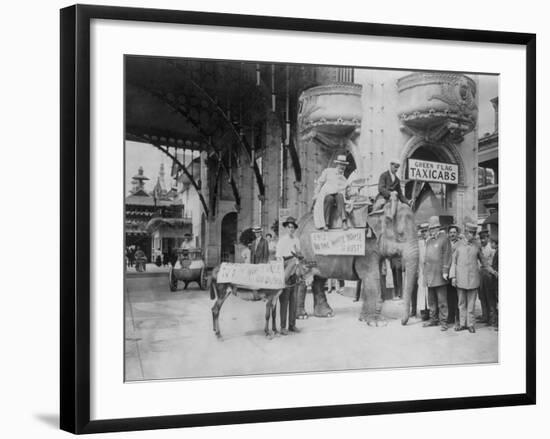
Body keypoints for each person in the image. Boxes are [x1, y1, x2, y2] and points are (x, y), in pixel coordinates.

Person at [450, 222, 487, 333]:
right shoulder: (458, 245)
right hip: (460, 279)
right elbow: (453, 262)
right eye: (470, 232)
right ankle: (462, 324)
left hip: (473, 279)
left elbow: (483, 261)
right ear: (466, 232)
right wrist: (453, 277)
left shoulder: (477, 245)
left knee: (471, 304)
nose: (472, 235)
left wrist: (493, 271)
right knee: (461, 303)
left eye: (474, 233)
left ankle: (470, 324)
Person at [422, 216, 452, 331]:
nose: (432, 230)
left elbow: (447, 255)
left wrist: (445, 271)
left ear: (438, 227)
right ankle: (433, 320)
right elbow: (426, 258)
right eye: (430, 228)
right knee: (432, 301)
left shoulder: (444, 239)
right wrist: (425, 276)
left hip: (440, 276)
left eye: (434, 228)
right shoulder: (429, 241)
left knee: (442, 301)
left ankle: (443, 322)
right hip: (429, 276)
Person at [276, 216, 302, 335]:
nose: (291, 229)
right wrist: (283, 271)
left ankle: (292, 325)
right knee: (284, 300)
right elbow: (278, 257)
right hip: (285, 268)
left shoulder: (296, 240)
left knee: (294, 299)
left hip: (295, 268)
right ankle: (282, 327)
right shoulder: (282, 240)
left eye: (293, 227)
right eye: (289, 227)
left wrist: (297, 263)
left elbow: (299, 254)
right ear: (286, 228)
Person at [312, 155, 350, 231]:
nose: (342, 167)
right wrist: (316, 193)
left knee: (340, 196)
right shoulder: (328, 171)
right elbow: (320, 183)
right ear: (337, 165)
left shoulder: (343, 179)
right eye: (341, 164)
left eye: (344, 165)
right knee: (329, 199)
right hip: (326, 194)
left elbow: (345, 190)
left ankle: (344, 221)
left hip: (337, 195)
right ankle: (326, 223)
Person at [478, 228, 496, 325]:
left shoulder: (491, 249)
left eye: (484, 238)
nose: (482, 240)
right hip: (481, 274)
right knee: (482, 296)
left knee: (490, 297)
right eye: (481, 238)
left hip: (489, 274)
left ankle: (492, 318)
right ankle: (485, 316)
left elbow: (492, 264)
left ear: (488, 238)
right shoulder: (480, 247)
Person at [447, 225, 463, 328]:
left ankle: (458, 319)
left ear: (457, 234)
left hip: (457, 273)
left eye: (454, 232)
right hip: (448, 273)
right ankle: (451, 317)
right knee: (449, 297)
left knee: (457, 297)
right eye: (451, 232)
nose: (452, 234)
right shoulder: (446, 243)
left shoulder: (460, 244)